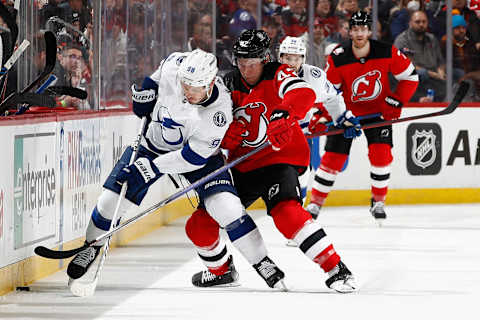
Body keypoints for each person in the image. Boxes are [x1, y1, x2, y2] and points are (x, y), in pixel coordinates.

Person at [67, 49, 285, 290]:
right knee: (110, 201)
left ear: (211, 83)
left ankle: (262, 262)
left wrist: (151, 168)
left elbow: (192, 157)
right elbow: (153, 80)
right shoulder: (174, 64)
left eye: (196, 87)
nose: (188, 91)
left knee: (227, 207)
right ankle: (90, 247)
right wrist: (146, 95)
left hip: (198, 157)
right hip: (152, 145)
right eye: (185, 84)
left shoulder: (219, 112)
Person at [187, 29, 358, 293]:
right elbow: (208, 121)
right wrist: (223, 137)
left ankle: (336, 268)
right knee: (198, 225)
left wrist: (284, 114)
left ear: (265, 58)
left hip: (280, 159)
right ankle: (221, 271)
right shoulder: (228, 83)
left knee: (287, 214)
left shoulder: (280, 73)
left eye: (251, 63)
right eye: (241, 62)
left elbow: (302, 94)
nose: (245, 68)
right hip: (241, 166)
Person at [307, 11, 419, 225]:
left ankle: (378, 201)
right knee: (332, 159)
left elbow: (410, 77)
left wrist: (395, 101)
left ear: (369, 31)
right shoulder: (339, 57)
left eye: (363, 29)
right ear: (349, 32)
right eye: (355, 29)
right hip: (346, 115)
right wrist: (322, 115)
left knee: (381, 155)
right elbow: (330, 91)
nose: (359, 33)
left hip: (377, 114)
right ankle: (315, 204)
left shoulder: (387, 51)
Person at [277, 35, 356, 215]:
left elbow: (333, 97)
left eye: (296, 58)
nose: (291, 63)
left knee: (302, 179)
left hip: (300, 137)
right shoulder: (268, 75)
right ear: (280, 57)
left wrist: (342, 117)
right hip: (270, 137)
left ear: (303, 59)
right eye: (288, 58)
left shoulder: (314, 77)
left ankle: (298, 216)